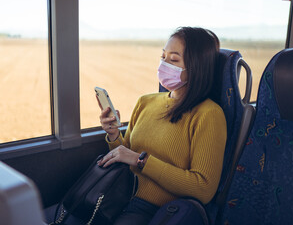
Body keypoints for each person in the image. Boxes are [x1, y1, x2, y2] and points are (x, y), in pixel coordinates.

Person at [97, 26, 227, 224]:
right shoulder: (145, 102)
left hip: (154, 211)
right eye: (163, 56)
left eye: (174, 59)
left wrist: (141, 160)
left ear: (197, 67)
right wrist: (115, 136)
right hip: (118, 195)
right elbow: (127, 156)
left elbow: (203, 188)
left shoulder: (209, 114)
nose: (164, 64)